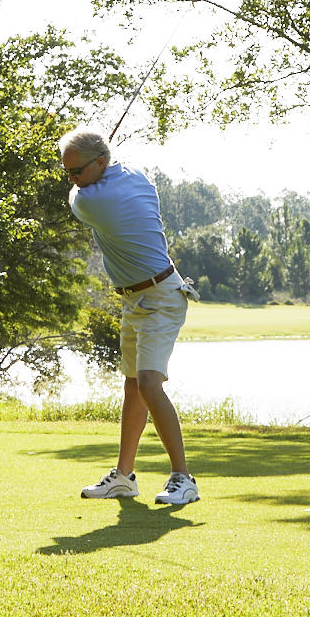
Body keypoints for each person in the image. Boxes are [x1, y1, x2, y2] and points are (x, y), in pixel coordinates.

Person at [61, 128, 198, 505]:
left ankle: (183, 479)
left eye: (75, 172)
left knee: (150, 384)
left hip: (161, 297)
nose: (71, 180)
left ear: (100, 163)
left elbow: (75, 199)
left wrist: (79, 185)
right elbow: (92, 178)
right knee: (133, 386)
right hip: (135, 298)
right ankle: (123, 477)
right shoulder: (134, 175)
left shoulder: (92, 202)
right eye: (66, 172)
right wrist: (86, 169)